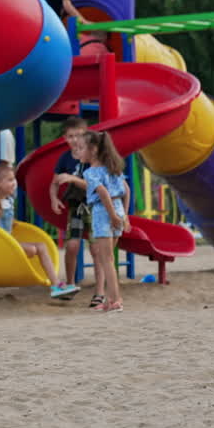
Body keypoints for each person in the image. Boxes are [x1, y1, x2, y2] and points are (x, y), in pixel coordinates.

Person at [0, 161, 75, 298]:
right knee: (35, 249)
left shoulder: (9, 201)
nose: (14, 183)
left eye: (14, 179)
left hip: (9, 243)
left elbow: (5, 221)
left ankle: (56, 284)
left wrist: (12, 223)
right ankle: (56, 285)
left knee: (41, 246)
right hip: (1, 246)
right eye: (10, 180)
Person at [49, 117, 99, 304]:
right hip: (76, 206)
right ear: (65, 139)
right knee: (72, 246)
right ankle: (70, 284)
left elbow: (96, 186)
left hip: (94, 205)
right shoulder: (65, 158)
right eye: (71, 136)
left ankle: (100, 289)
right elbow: (54, 183)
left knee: (96, 248)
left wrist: (71, 179)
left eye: (80, 135)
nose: (76, 140)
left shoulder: (92, 156)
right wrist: (54, 199)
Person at [81, 130, 130, 312]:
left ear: (93, 150)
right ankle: (112, 299)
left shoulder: (91, 172)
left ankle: (116, 300)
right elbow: (126, 190)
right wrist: (123, 215)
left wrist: (112, 216)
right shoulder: (113, 169)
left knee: (106, 260)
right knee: (109, 259)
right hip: (116, 208)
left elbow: (102, 193)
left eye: (82, 148)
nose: (79, 152)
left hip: (103, 213)